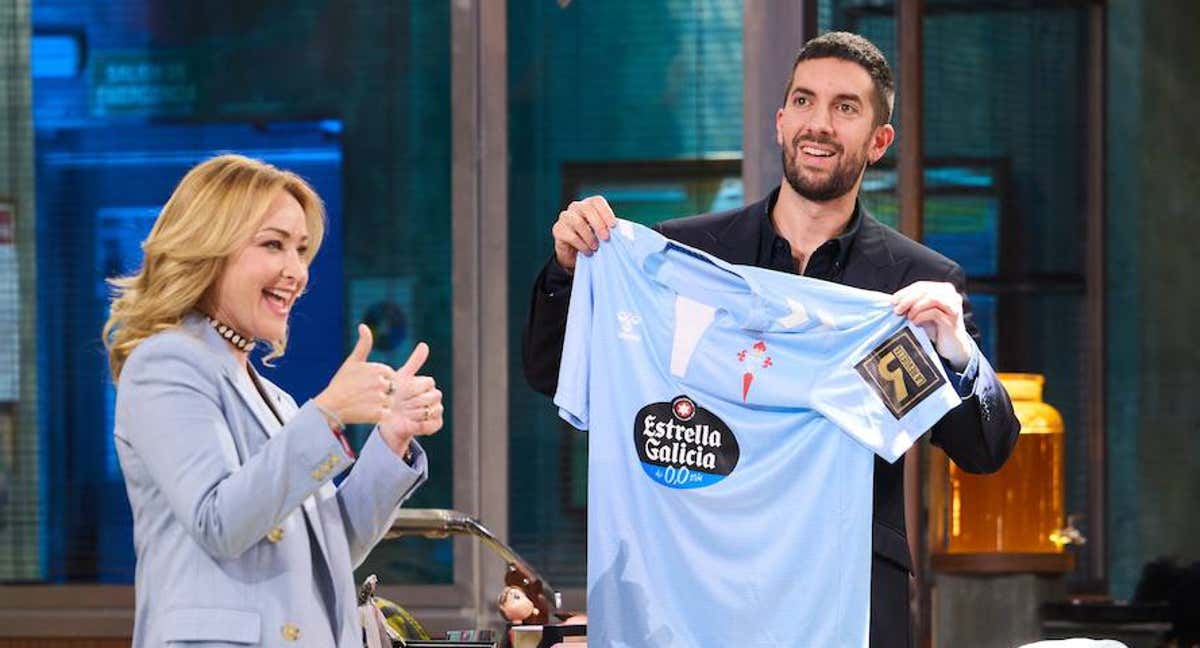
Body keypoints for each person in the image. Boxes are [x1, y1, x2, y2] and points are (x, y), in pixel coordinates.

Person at [522, 32, 1020, 647]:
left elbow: (984, 452)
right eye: (805, 102)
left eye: (845, 108)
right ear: (779, 121)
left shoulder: (911, 289)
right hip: (696, 578)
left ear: (879, 141)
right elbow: (552, 373)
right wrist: (570, 269)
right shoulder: (684, 255)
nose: (820, 124)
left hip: (846, 595)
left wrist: (956, 352)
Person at [104, 154, 444, 646]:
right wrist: (329, 413)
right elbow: (218, 521)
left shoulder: (277, 400)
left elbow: (331, 547)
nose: (297, 272)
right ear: (209, 249)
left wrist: (390, 439)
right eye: (273, 245)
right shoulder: (165, 364)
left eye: (301, 250)